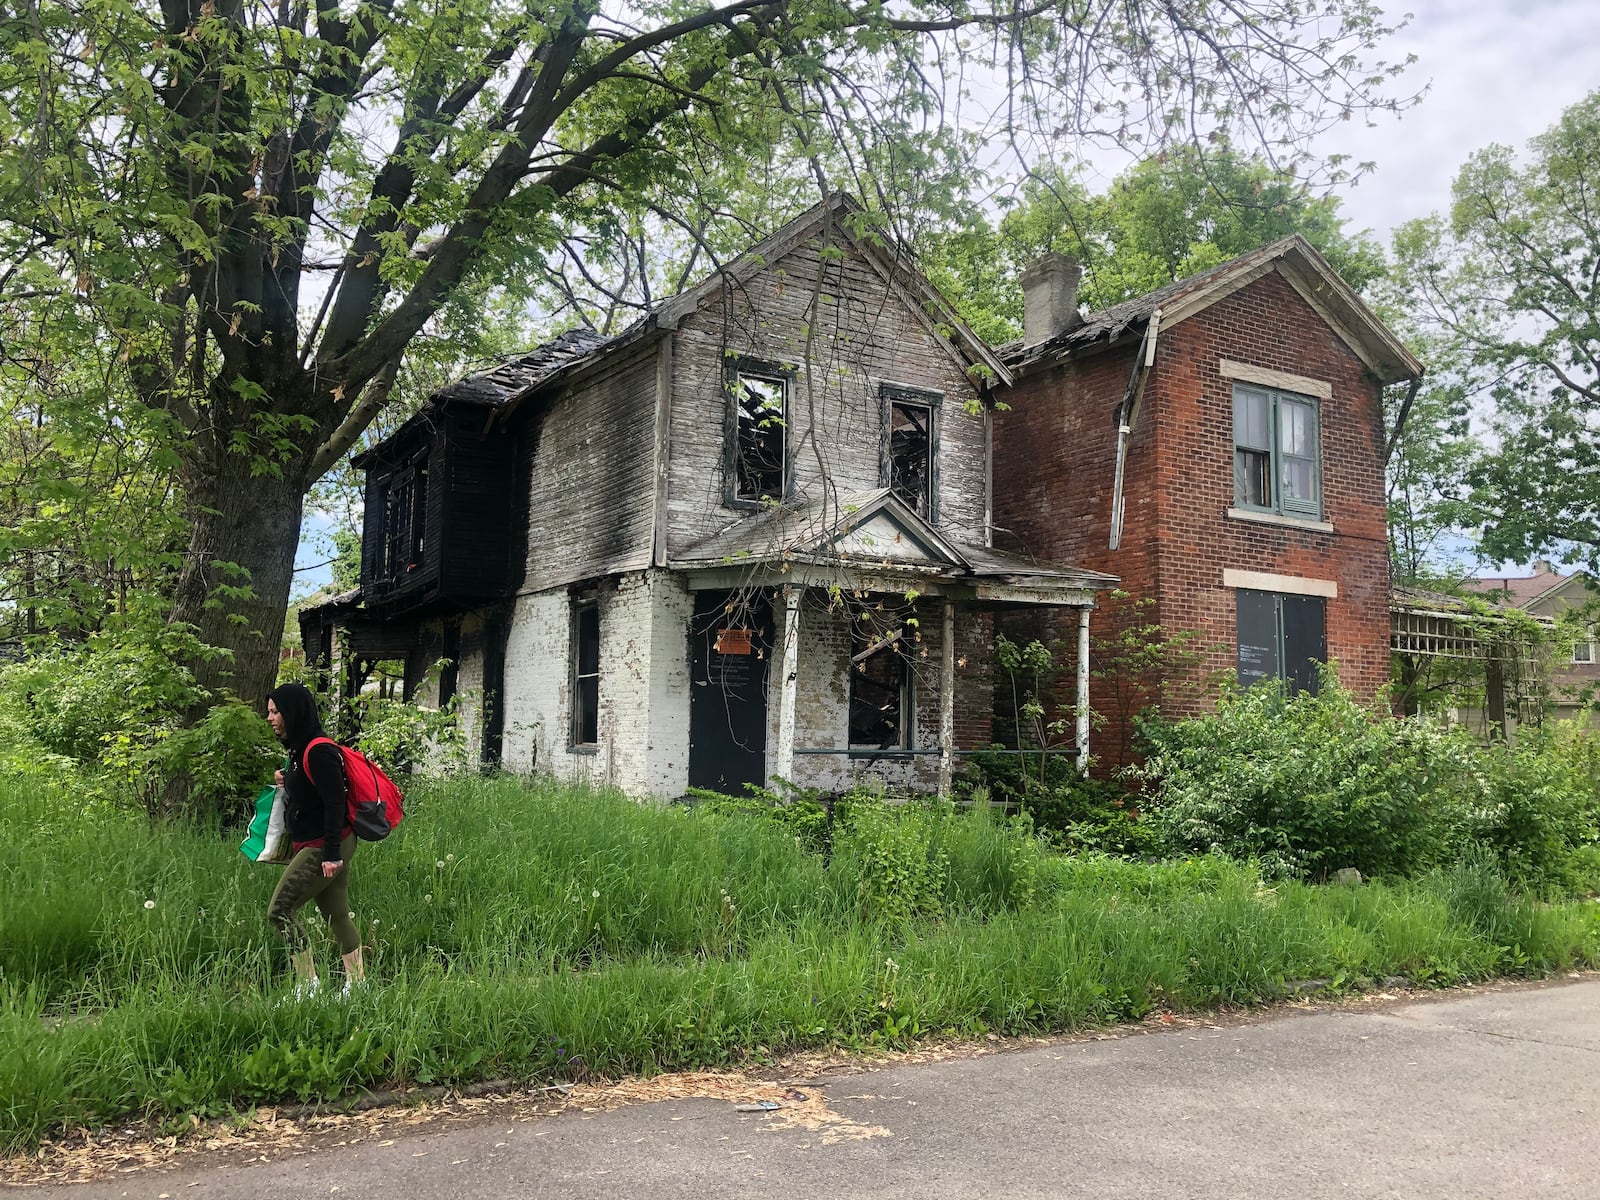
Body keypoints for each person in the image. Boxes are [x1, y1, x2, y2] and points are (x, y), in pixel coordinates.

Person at [264, 683, 365, 996]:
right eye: (269, 711)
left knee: (279, 911)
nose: (270, 718)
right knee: (337, 914)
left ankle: (308, 987)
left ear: (293, 711)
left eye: (275, 711)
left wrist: (332, 854)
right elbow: (312, 791)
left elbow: (336, 803)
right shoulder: (300, 748)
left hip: (325, 845)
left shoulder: (319, 750)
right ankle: (357, 987)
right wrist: (286, 779)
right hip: (323, 843)